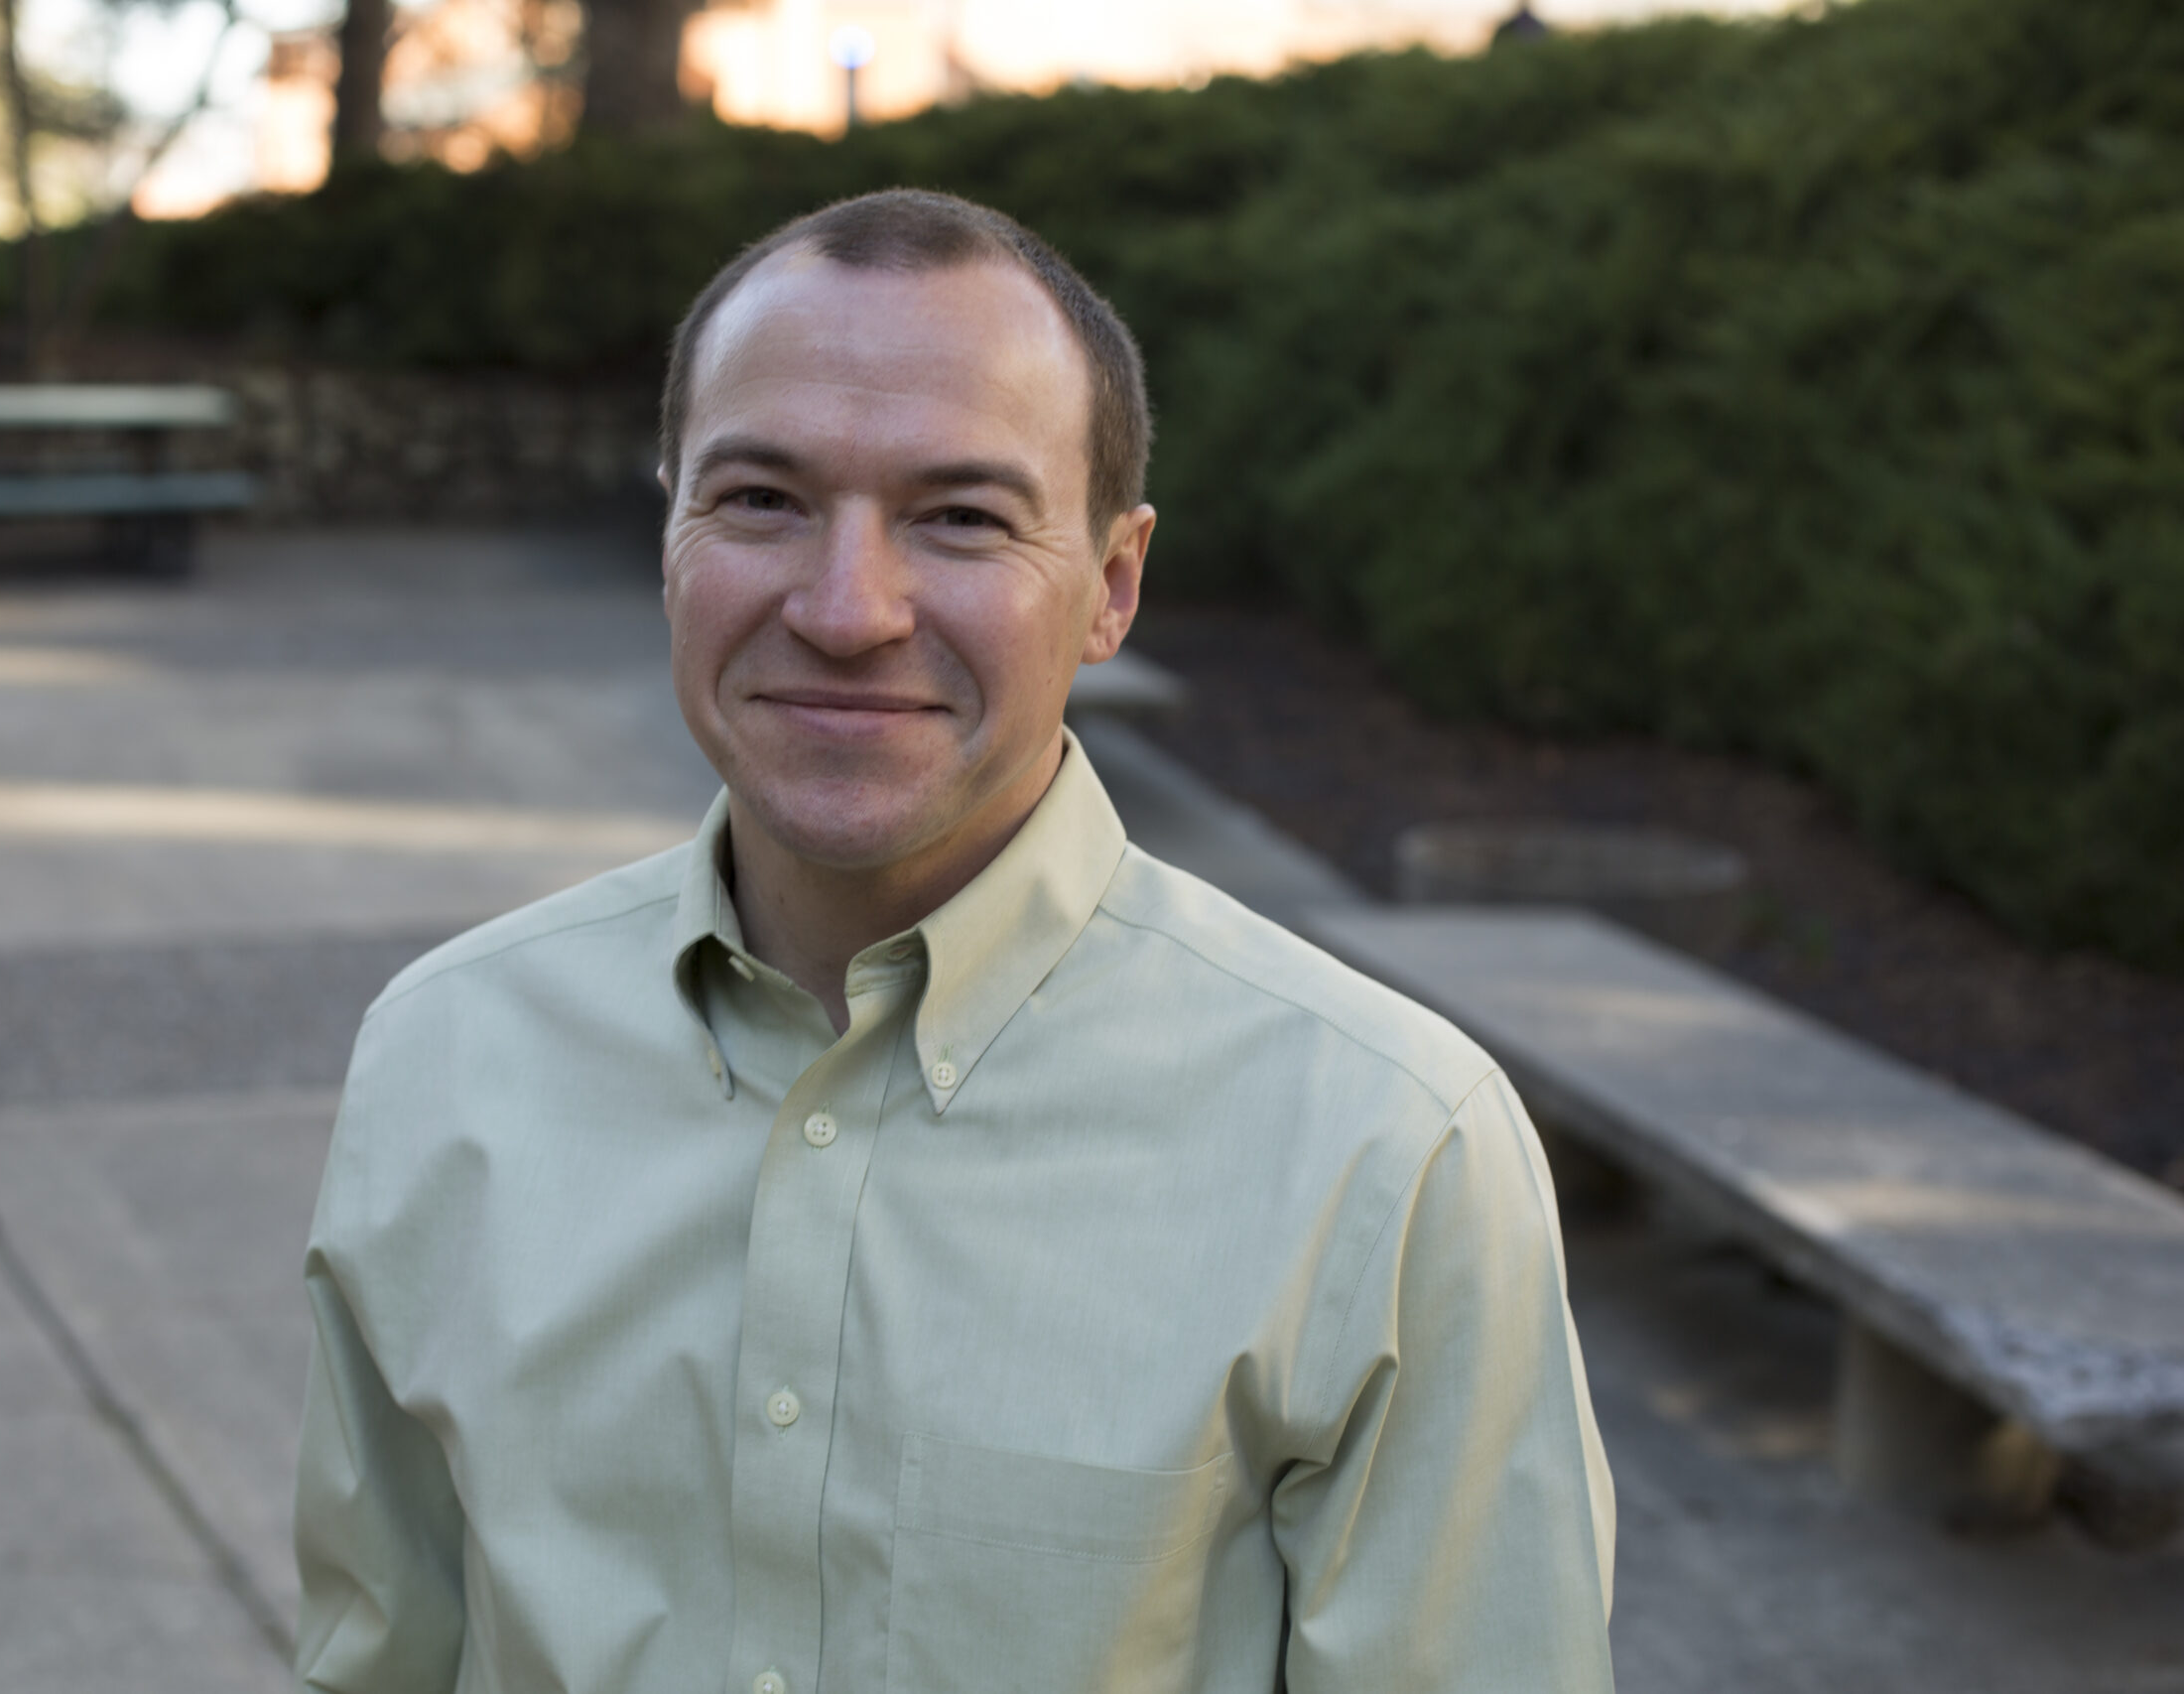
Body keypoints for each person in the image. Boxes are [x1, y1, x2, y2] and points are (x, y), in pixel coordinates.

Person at [293, 188, 1616, 1694]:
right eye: (763, 500)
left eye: (962, 518)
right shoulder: (447, 1056)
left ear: (1112, 585)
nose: (847, 608)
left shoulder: (1383, 1149)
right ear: (670, 531)